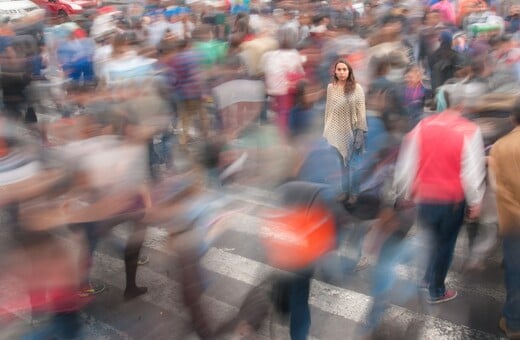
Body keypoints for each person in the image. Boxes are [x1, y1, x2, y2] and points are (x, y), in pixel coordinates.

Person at [394, 85, 486, 304]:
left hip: (425, 197)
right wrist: (476, 201)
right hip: (451, 200)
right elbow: (472, 171)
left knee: (428, 239)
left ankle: (425, 279)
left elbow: (407, 162)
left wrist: (404, 192)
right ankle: (437, 290)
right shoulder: (470, 130)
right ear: (462, 104)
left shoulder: (422, 125)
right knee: (445, 243)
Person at [489, 97, 520, 339]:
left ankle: (513, 325)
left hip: (514, 224)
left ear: (512, 118)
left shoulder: (501, 146)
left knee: (516, 275)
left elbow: (495, 187)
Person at [322, 59, 367, 202]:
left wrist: (360, 132)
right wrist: (326, 131)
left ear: (349, 72)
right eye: (339, 69)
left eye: (344, 69)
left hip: (353, 131)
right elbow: (328, 110)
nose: (342, 72)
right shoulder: (331, 88)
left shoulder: (357, 88)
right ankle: (344, 190)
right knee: (341, 165)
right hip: (336, 132)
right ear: (335, 71)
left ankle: (354, 192)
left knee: (354, 166)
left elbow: (361, 112)